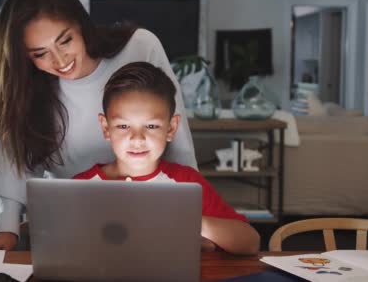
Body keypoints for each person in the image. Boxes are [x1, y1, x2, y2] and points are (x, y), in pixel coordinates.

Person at [0, 0, 197, 250]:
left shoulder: (141, 47)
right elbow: (11, 162)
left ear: (81, 23)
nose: (60, 61)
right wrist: (6, 228)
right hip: (70, 226)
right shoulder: (27, 89)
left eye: (65, 40)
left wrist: (192, 217)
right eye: (40, 54)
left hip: (151, 216)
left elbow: (178, 144)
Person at [73, 62, 260, 255]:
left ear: (170, 128)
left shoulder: (186, 182)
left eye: (152, 126)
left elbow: (250, 242)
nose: (137, 139)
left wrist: (191, 221)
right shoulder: (80, 187)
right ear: (106, 128)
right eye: (123, 126)